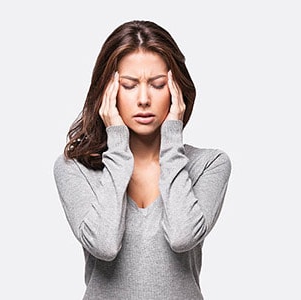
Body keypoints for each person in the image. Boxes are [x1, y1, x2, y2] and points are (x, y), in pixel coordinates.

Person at [53, 20, 231, 300]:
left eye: (158, 85)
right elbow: (104, 244)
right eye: (129, 85)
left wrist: (172, 140)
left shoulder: (210, 164)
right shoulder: (75, 168)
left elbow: (183, 237)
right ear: (108, 91)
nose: (144, 98)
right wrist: (117, 142)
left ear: (177, 90)